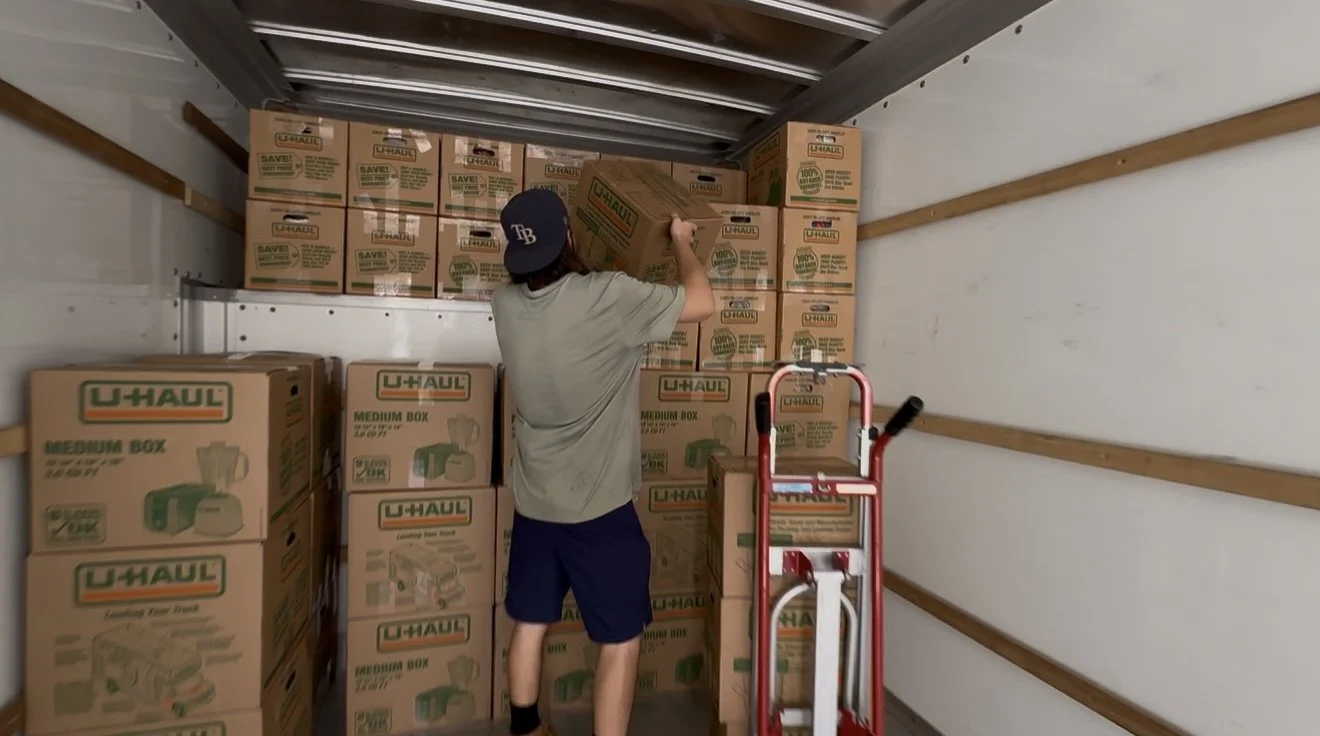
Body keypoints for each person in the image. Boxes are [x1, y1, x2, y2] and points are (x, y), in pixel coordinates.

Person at [492, 187, 716, 736]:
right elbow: (702, 301)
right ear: (567, 237)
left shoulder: (504, 304)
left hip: (535, 501)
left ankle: (526, 728)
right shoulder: (608, 297)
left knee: (530, 620)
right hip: (600, 509)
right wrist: (684, 244)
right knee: (619, 641)